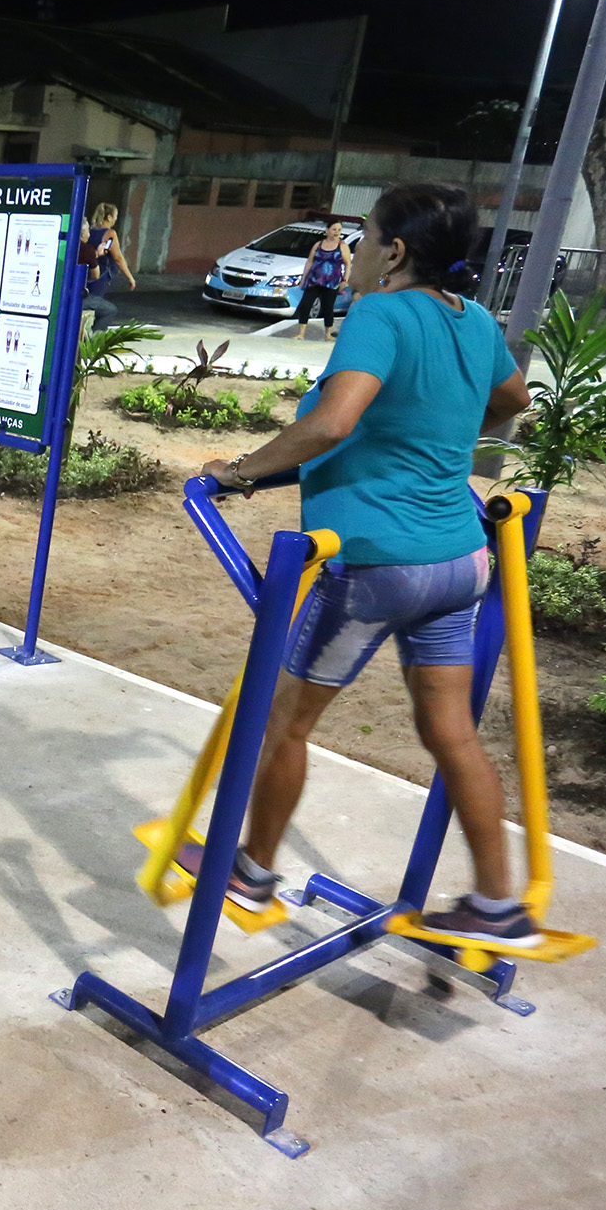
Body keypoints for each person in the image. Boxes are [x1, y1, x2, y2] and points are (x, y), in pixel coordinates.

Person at [199, 182, 540, 946]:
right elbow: (513, 398)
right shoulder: (475, 319)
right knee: (451, 730)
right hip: (459, 558)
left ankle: (251, 871)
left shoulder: (380, 314)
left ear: (395, 251)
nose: (352, 250)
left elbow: (333, 420)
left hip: (379, 562)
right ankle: (497, 903)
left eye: (365, 235)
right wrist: (435, 442)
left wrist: (240, 471)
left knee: (284, 720)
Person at [291, 220, 351, 341]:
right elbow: (310, 261)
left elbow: (348, 264)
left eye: (339, 230)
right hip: (314, 280)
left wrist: (345, 279)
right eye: (334, 229)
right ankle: (301, 333)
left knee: (328, 308)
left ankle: (327, 334)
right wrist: (303, 279)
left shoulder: (342, 246)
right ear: (327, 230)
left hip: (332, 282)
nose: (337, 232)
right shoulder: (318, 244)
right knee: (306, 305)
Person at [79, 202, 136, 328]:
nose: (116, 218)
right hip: (100, 276)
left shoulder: (90, 230)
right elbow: (118, 258)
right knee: (99, 309)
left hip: (85, 274)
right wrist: (130, 277)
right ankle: (91, 337)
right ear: (109, 217)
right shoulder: (110, 234)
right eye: (115, 215)